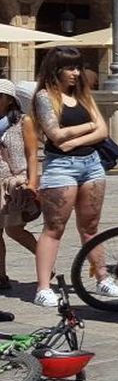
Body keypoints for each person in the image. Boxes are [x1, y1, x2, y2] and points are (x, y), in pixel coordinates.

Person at [30, 47, 113, 307]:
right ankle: (43, 287)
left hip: (92, 164)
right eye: (70, 68)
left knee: (90, 227)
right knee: (54, 228)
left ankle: (103, 278)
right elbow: (55, 135)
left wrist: (79, 134)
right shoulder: (45, 97)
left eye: (78, 67)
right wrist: (90, 127)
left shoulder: (84, 96)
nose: (77, 73)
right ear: (56, 70)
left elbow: (103, 131)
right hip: (61, 167)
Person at [0, 80, 40, 304]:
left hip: (14, 183)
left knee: (15, 230)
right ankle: (1, 276)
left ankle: (46, 264)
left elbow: (29, 155)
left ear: (9, 99)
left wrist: (29, 183)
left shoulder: (20, 122)